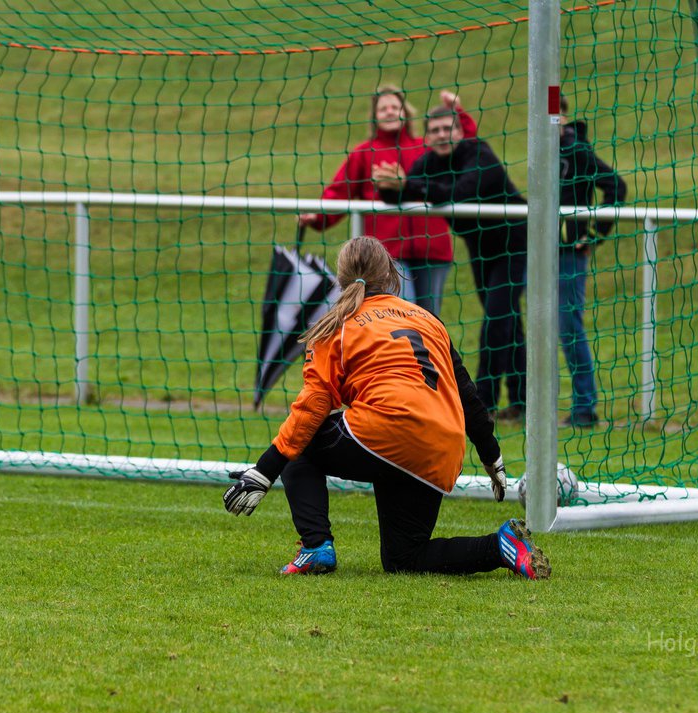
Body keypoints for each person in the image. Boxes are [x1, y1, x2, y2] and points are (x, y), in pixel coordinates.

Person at [221, 236, 550, 579]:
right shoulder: (427, 319)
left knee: (298, 443)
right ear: (391, 272)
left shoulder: (337, 325)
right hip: (441, 447)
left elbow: (312, 407)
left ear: (340, 277)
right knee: (405, 558)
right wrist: (491, 453)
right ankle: (501, 546)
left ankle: (315, 547)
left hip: (384, 431)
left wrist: (265, 469)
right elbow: (466, 392)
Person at [373, 106, 528, 420]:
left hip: (516, 243)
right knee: (506, 322)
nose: (443, 135)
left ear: (459, 132)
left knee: (497, 321)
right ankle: (521, 401)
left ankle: (483, 402)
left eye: (448, 129)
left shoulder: (480, 155)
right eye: (436, 130)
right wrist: (387, 186)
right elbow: (402, 193)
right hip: (480, 248)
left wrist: (409, 186)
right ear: (428, 137)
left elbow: (460, 193)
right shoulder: (428, 163)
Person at [298, 87, 477, 315]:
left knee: (430, 319)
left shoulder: (426, 148)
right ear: (375, 116)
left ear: (405, 111)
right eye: (383, 109)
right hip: (388, 255)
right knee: (400, 317)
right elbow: (340, 191)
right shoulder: (363, 153)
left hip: (433, 250)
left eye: (395, 106)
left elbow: (465, 149)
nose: (390, 112)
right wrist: (318, 216)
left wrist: (458, 113)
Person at [556, 96, 628, 428]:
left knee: (569, 326)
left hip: (569, 253)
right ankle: (526, 402)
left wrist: (596, 233)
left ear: (563, 116)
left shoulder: (576, 150)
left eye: (554, 115)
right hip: (539, 250)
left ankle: (585, 408)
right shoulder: (540, 151)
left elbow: (616, 185)